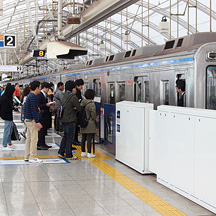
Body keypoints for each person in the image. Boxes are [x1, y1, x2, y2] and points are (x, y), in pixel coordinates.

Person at [58, 80, 81, 160]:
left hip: (63, 119)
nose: (75, 89)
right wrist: (75, 107)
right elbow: (79, 108)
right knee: (69, 137)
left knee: (65, 136)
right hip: (70, 119)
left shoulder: (64, 95)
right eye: (74, 87)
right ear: (72, 88)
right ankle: (69, 155)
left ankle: (61, 152)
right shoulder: (73, 97)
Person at [24, 81, 43, 163]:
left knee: (29, 139)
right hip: (31, 120)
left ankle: (27, 156)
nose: (40, 89)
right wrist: (37, 121)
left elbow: (32, 108)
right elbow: (33, 111)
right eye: (40, 87)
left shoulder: (29, 96)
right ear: (36, 88)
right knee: (34, 139)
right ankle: (32, 157)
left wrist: (36, 108)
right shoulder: (33, 97)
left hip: (27, 120)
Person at [80, 89, 97, 158]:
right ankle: (89, 153)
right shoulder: (91, 104)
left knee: (83, 138)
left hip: (83, 122)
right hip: (90, 123)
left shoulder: (82, 102)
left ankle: (83, 152)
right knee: (89, 138)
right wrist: (94, 118)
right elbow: (93, 115)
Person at [0, 84, 17, 150]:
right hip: (6, 115)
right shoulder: (5, 98)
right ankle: (4, 144)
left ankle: (9, 142)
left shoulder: (7, 96)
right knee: (7, 130)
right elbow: (5, 108)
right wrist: (13, 107)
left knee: (9, 129)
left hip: (8, 115)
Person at [37, 82, 52, 150]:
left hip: (45, 115)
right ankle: (40, 144)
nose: (48, 90)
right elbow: (38, 106)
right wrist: (46, 105)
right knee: (41, 131)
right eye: (48, 88)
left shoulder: (44, 95)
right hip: (41, 115)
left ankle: (43, 143)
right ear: (44, 88)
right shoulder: (39, 95)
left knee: (44, 131)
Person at [74, 79, 85, 145]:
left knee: (75, 127)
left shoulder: (78, 91)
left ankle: (75, 139)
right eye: (81, 85)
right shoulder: (77, 92)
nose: (82, 87)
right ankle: (75, 140)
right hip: (76, 113)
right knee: (75, 127)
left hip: (76, 112)